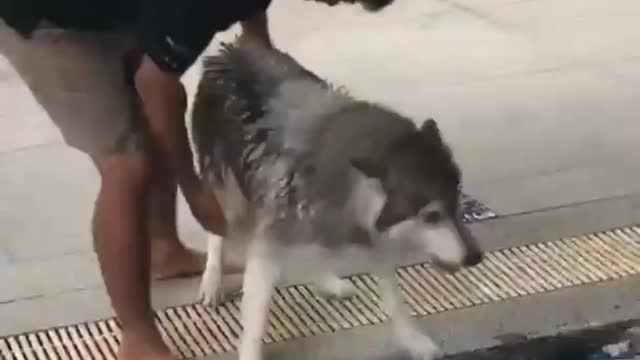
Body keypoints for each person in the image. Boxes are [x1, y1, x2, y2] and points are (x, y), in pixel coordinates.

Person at [0, 0, 394, 359]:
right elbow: (157, 84)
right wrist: (195, 190)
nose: (335, 4)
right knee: (126, 165)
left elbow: (245, 32)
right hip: (47, 18)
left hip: (121, 13)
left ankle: (165, 252)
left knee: (149, 125)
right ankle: (136, 337)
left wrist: (263, 48)